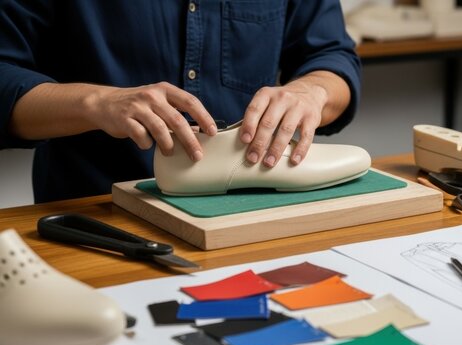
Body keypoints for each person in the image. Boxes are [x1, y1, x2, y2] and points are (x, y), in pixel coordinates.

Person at [0, 1, 361, 203]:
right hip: (97, 210)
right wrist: (96, 102)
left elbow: (332, 55)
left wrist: (313, 91)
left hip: (254, 210)